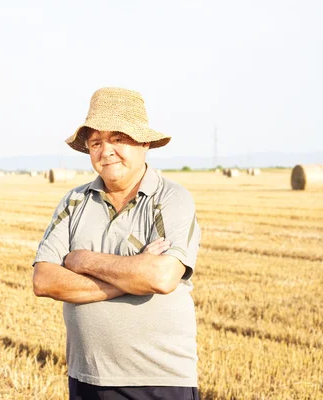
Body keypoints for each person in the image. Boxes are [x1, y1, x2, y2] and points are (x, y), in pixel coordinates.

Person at [33, 87, 201, 400]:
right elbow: (43, 281)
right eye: (96, 142)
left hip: (160, 379)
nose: (105, 151)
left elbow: (161, 278)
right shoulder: (74, 201)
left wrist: (82, 261)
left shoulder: (170, 198)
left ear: (145, 143)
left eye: (118, 139)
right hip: (87, 377)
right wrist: (133, 275)